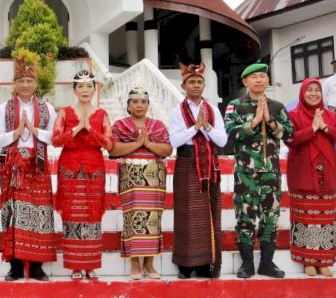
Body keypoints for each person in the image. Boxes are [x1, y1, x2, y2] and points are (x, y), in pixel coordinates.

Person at [224, 62, 294, 279]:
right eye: (254, 77)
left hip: (270, 173)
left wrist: (270, 122)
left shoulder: (278, 106)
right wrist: (253, 122)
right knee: (245, 217)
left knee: (270, 218)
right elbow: (229, 135)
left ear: (268, 81)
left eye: (263, 76)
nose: (259, 80)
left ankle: (266, 263)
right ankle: (247, 264)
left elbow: (290, 135)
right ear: (245, 81)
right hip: (245, 172)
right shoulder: (235, 106)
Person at [0, 55, 57, 281]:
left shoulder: (47, 108)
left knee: (40, 214)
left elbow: (55, 138)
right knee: (14, 215)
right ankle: (16, 266)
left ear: (35, 83)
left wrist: (33, 129)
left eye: (29, 81)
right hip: (13, 167)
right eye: (21, 81)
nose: (25, 85)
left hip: (37, 167)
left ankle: (37, 266)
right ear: (15, 84)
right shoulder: (4, 108)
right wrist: (17, 133)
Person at [285, 78, 336, 276]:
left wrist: (324, 128)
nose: (313, 94)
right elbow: (290, 139)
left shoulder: (330, 115)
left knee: (325, 217)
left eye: (317, 90)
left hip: (326, 170)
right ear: (302, 93)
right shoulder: (293, 115)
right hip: (302, 171)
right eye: (309, 90)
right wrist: (312, 128)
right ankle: (307, 261)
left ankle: (323, 260)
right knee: (305, 215)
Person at [53, 69, 114, 281]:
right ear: (74, 89)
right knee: (72, 214)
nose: (85, 90)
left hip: (94, 169)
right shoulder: (65, 112)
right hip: (69, 169)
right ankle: (75, 266)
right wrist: (77, 128)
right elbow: (55, 140)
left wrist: (91, 130)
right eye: (81, 86)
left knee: (92, 215)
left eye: (89, 86)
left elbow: (110, 144)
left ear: (94, 88)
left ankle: (90, 265)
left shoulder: (101, 114)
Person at [169, 63, 228, 279]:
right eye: (191, 82)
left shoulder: (213, 110)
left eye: (199, 82)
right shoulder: (177, 111)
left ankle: (206, 263)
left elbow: (222, 140)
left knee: (209, 213)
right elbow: (174, 140)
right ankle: (185, 265)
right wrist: (195, 128)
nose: (196, 85)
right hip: (186, 163)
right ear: (184, 85)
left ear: (204, 85)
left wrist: (207, 127)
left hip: (209, 165)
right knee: (186, 214)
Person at [110, 84, 171, 280]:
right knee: (133, 219)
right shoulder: (120, 125)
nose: (139, 105)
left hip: (154, 176)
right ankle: (135, 265)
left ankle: (150, 265)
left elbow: (167, 150)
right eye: (135, 101)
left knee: (153, 219)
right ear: (128, 105)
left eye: (143, 101)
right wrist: (136, 144)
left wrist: (149, 144)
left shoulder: (158, 126)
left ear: (148, 105)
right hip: (131, 176)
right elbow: (112, 149)